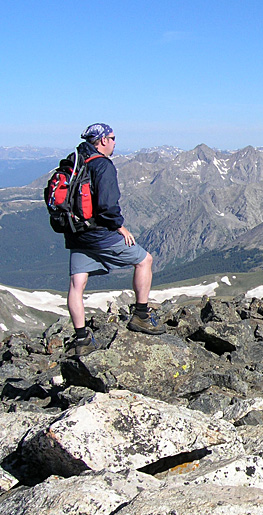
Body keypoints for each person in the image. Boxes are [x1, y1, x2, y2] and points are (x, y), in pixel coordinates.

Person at [66, 123, 165, 356]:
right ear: (101, 141)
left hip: (76, 233)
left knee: (76, 285)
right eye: (112, 138)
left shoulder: (76, 160)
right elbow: (107, 206)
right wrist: (119, 226)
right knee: (144, 260)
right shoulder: (102, 165)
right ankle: (141, 315)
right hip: (99, 234)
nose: (114, 142)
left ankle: (81, 339)